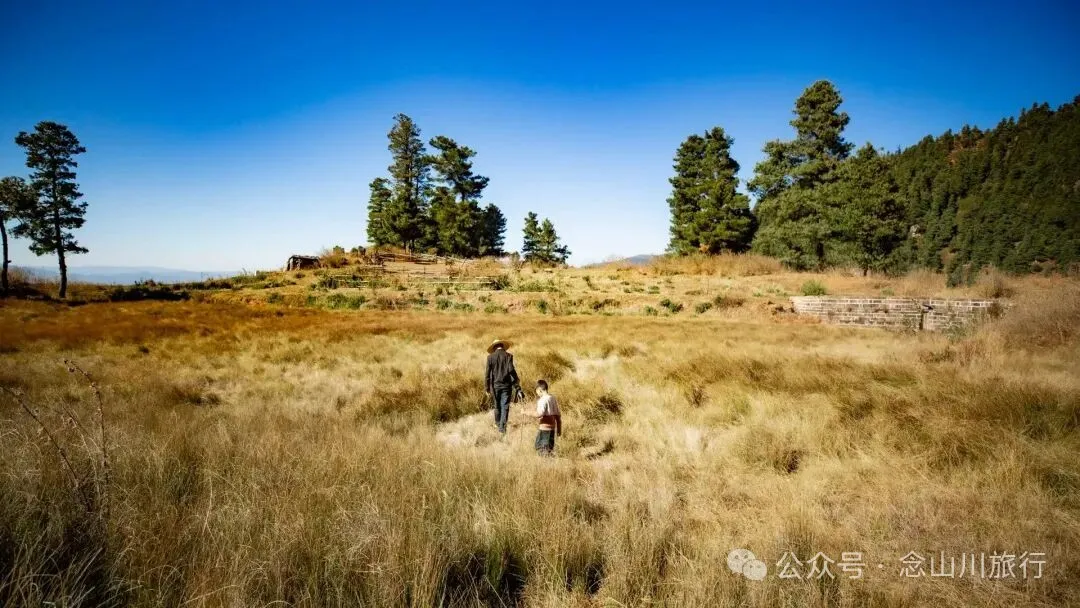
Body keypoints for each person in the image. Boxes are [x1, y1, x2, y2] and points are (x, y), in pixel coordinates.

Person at [485, 339, 520, 435]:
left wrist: (487, 388)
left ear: (494, 347)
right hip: (506, 385)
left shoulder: (490, 357)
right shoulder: (509, 356)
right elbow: (511, 369)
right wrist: (516, 379)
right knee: (505, 407)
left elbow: (487, 374)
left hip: (495, 386)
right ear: (503, 346)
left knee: (497, 406)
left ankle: (497, 424)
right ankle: (502, 428)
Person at [533, 379, 561, 456]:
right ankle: (549, 462)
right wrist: (559, 429)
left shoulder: (542, 400)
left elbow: (539, 414)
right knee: (549, 448)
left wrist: (526, 412)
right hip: (552, 428)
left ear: (539, 390)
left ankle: (546, 464)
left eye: (536, 391)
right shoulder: (552, 398)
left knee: (541, 448)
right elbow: (558, 415)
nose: (537, 393)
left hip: (544, 429)